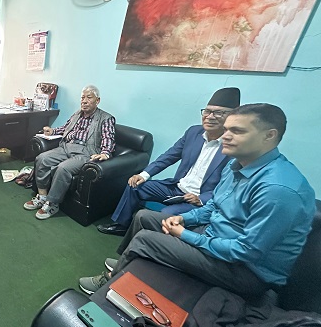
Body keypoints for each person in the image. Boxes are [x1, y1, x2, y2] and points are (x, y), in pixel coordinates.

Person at [79, 104, 315, 296]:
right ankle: (125, 262)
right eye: (227, 129)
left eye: (237, 131)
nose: (226, 136)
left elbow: (246, 251)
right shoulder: (236, 165)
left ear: (269, 136)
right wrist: (184, 219)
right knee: (144, 217)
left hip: (246, 271)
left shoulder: (279, 189)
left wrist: (185, 234)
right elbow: (213, 206)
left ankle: (111, 281)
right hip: (215, 236)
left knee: (146, 239)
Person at [98, 88, 240, 236]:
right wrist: (144, 175)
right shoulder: (194, 132)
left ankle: (147, 239)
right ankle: (122, 225)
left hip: (199, 199)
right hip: (176, 188)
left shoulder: (233, 146)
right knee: (135, 185)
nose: (210, 117)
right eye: (207, 111)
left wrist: (202, 199)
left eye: (218, 113)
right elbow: (169, 156)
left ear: (232, 116)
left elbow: (231, 187)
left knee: (166, 214)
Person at [24, 85, 115, 220]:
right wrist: (53, 131)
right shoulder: (77, 114)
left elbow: (108, 138)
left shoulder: (106, 118)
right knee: (42, 158)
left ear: (98, 100)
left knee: (63, 169)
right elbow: (66, 128)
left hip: (85, 152)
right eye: (82, 98)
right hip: (66, 147)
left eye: (89, 98)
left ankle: (52, 203)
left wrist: (105, 153)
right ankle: (42, 196)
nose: (84, 101)